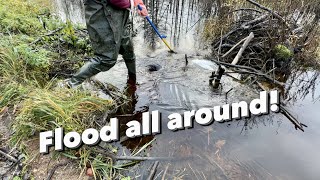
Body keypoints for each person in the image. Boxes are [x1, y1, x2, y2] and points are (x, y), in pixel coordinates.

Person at [66, 0, 148, 88]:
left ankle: (132, 81)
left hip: (120, 13)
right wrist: (132, 3)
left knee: (127, 48)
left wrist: (139, 3)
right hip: (101, 13)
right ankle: (70, 85)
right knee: (106, 59)